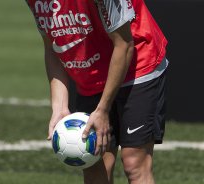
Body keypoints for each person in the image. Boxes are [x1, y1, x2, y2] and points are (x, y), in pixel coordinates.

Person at [25, 0, 168, 183]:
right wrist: (59, 107)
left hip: (138, 65)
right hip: (91, 72)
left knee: (134, 163)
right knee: (94, 164)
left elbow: (124, 45)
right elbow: (52, 46)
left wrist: (102, 109)